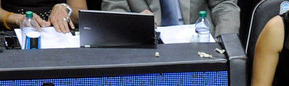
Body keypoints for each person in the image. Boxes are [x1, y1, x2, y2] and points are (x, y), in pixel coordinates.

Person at [101, 0, 240, 39]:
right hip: (146, 46)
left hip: (198, 42)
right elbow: (113, 11)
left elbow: (224, 5)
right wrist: (134, 22)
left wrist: (227, 40)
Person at [0, 0, 87, 33]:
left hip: (59, 32)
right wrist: (16, 19)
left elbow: (82, 14)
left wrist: (65, 8)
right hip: (14, 30)